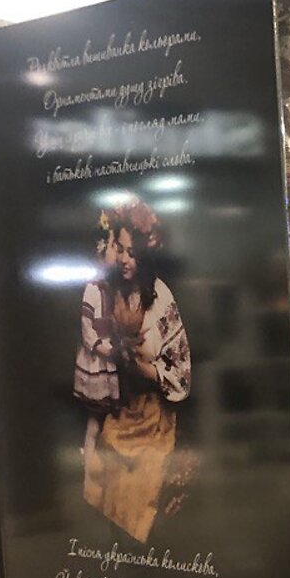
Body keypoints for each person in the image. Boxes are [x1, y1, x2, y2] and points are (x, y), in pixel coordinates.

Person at [78, 199, 191, 544]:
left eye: (134, 253)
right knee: (108, 477)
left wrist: (144, 369)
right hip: (118, 410)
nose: (126, 260)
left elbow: (180, 371)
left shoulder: (159, 296)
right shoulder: (106, 292)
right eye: (122, 251)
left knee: (146, 492)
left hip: (154, 418)